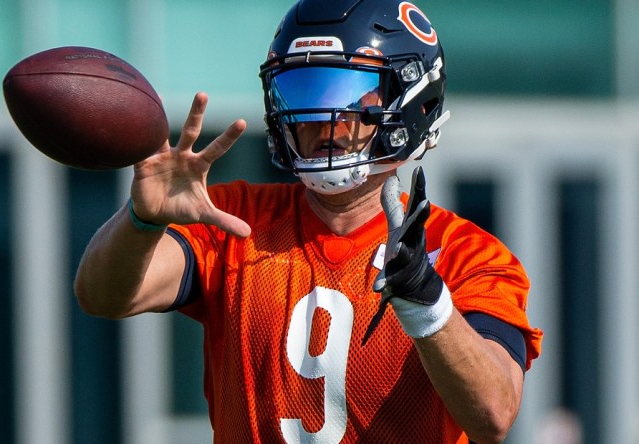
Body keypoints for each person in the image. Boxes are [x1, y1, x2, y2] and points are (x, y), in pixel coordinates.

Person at [74, 0, 543, 442]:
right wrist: (141, 220)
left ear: (410, 99)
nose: (323, 120)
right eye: (302, 92)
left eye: (343, 92)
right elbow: (103, 296)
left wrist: (427, 300)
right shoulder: (236, 219)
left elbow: (494, 416)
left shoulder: (468, 254)